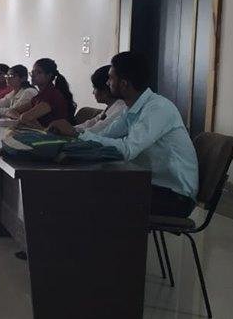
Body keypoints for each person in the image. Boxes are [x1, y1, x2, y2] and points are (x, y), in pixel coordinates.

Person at [50, 51, 198, 217]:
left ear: (124, 84)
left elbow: (127, 150)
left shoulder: (158, 108)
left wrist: (76, 134)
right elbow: (104, 136)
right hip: (150, 185)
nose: (107, 82)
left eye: (110, 78)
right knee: (83, 187)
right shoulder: (130, 110)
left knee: (89, 197)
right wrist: (73, 136)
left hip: (175, 196)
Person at [48, 64, 126, 135]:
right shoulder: (110, 108)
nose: (93, 92)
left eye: (95, 88)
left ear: (104, 90)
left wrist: (72, 131)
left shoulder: (121, 108)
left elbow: (97, 131)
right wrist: (69, 128)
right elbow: (90, 123)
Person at [10, 58, 75, 128]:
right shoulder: (39, 96)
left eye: (38, 72)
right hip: (43, 133)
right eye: (33, 72)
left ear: (48, 76)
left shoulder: (52, 95)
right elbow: (12, 111)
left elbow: (25, 117)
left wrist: (23, 119)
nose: (33, 75)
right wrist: (21, 119)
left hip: (57, 133)